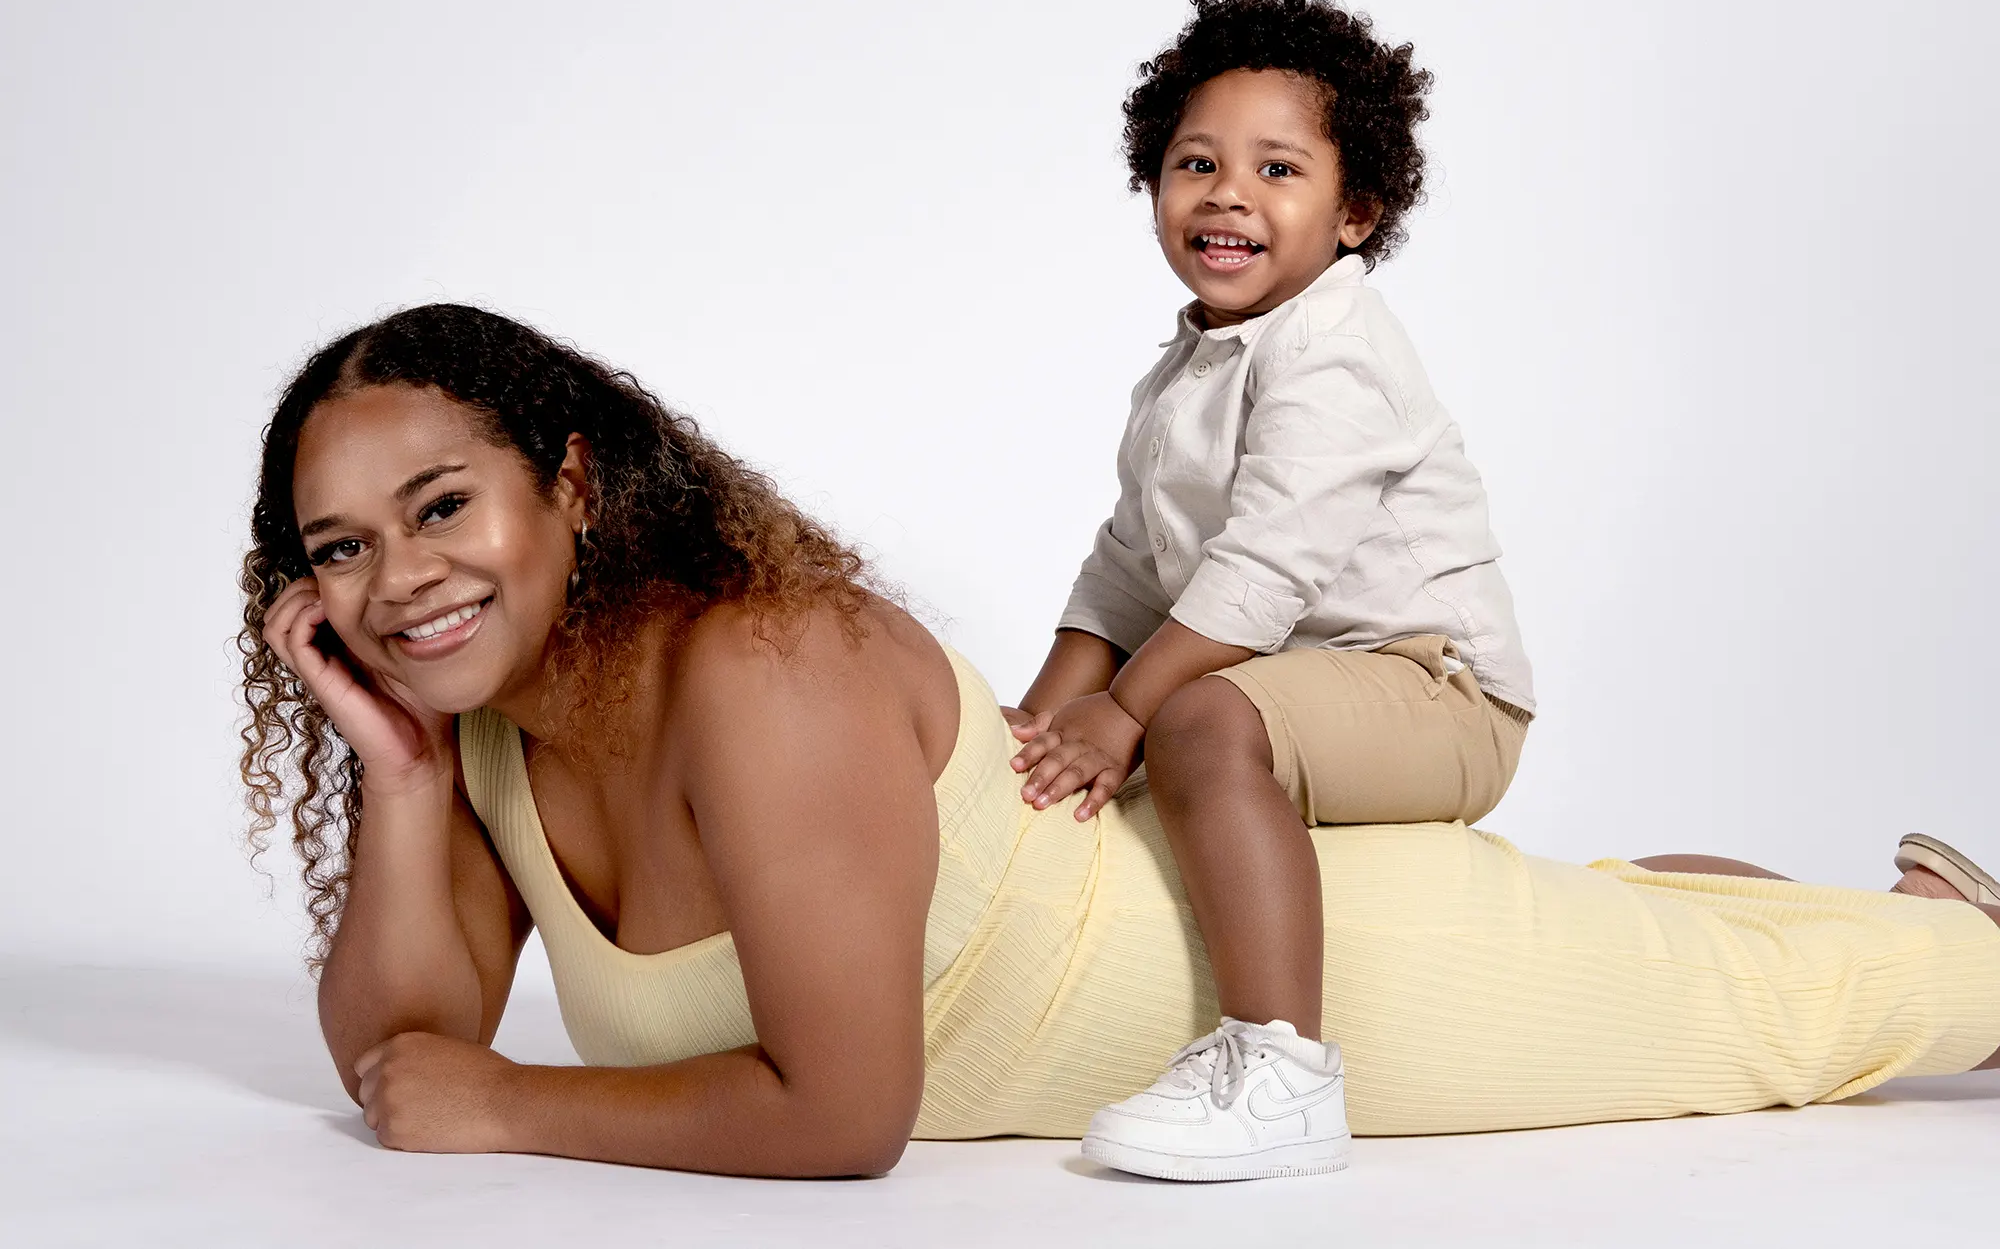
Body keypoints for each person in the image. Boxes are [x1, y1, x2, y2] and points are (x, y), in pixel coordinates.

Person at [240, 303, 2000, 1181]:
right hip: (1243, 925)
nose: (401, 580)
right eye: (341, 548)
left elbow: (847, 1115)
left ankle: (1958, 943)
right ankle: (1913, 901)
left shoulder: (756, 666)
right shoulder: (487, 729)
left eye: (439, 504)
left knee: (1767, 1016)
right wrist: (396, 770)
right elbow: (402, 1048)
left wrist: (523, 1107)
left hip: (1331, 979)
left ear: (567, 480)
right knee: (1632, 916)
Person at [1007, 0, 1531, 1176]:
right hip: (1308, 678)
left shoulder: (1333, 351)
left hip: (1440, 692)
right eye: (1194, 161)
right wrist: (1042, 725)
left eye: (1276, 170)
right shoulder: (1188, 366)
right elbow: (1128, 566)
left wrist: (1127, 710)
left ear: (1354, 213)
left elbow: (1260, 572)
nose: (1226, 192)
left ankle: (1282, 1071)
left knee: (1188, 719)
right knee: (1155, 731)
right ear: (1152, 185)